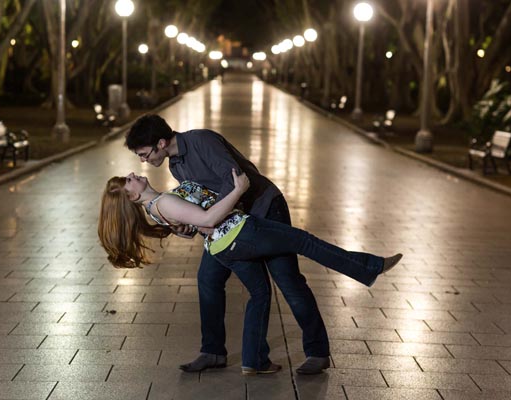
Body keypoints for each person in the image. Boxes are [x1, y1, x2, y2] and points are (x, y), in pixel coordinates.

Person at [98, 171, 402, 375]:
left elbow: (196, 225)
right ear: (132, 198)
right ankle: (368, 267)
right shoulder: (162, 202)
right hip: (241, 233)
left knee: (260, 293)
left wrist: (190, 225)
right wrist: (239, 189)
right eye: (129, 181)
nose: (134, 174)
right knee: (303, 240)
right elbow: (209, 217)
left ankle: (255, 361)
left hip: (225, 246)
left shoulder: (157, 205)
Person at [124, 114, 332, 375]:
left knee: (288, 280)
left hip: (264, 208)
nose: (143, 161)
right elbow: (200, 201)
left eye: (144, 154)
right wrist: (187, 224)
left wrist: (210, 218)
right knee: (208, 279)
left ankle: (317, 352)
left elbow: (233, 180)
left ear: (162, 142)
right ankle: (212, 352)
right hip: (231, 225)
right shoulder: (175, 165)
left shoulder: (202, 140)